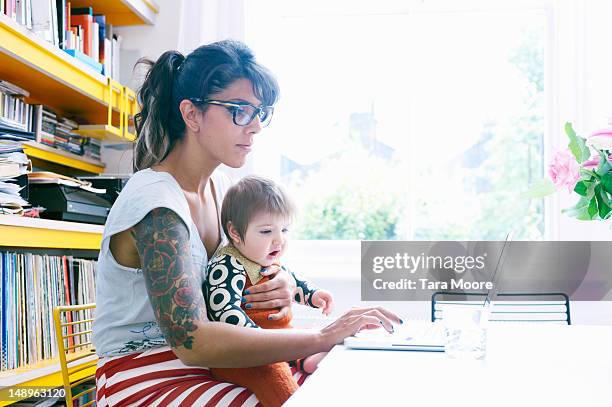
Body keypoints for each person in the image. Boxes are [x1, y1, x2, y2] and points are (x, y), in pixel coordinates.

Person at [92, 39, 400, 406]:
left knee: (345, 384)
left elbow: (247, 267)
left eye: (260, 112)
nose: (255, 126)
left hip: (217, 365)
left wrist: (279, 282)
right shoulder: (157, 203)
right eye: (239, 110)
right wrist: (322, 335)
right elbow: (192, 342)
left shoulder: (224, 190)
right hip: (145, 373)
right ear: (192, 115)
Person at [203, 175, 333, 407]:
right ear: (234, 232)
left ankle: (305, 359)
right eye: (266, 232)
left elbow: (293, 281)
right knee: (273, 373)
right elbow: (223, 312)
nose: (279, 240)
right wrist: (263, 341)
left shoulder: (264, 256)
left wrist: (313, 295)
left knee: (303, 337)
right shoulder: (228, 265)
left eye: (284, 229)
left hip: (275, 339)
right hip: (245, 355)